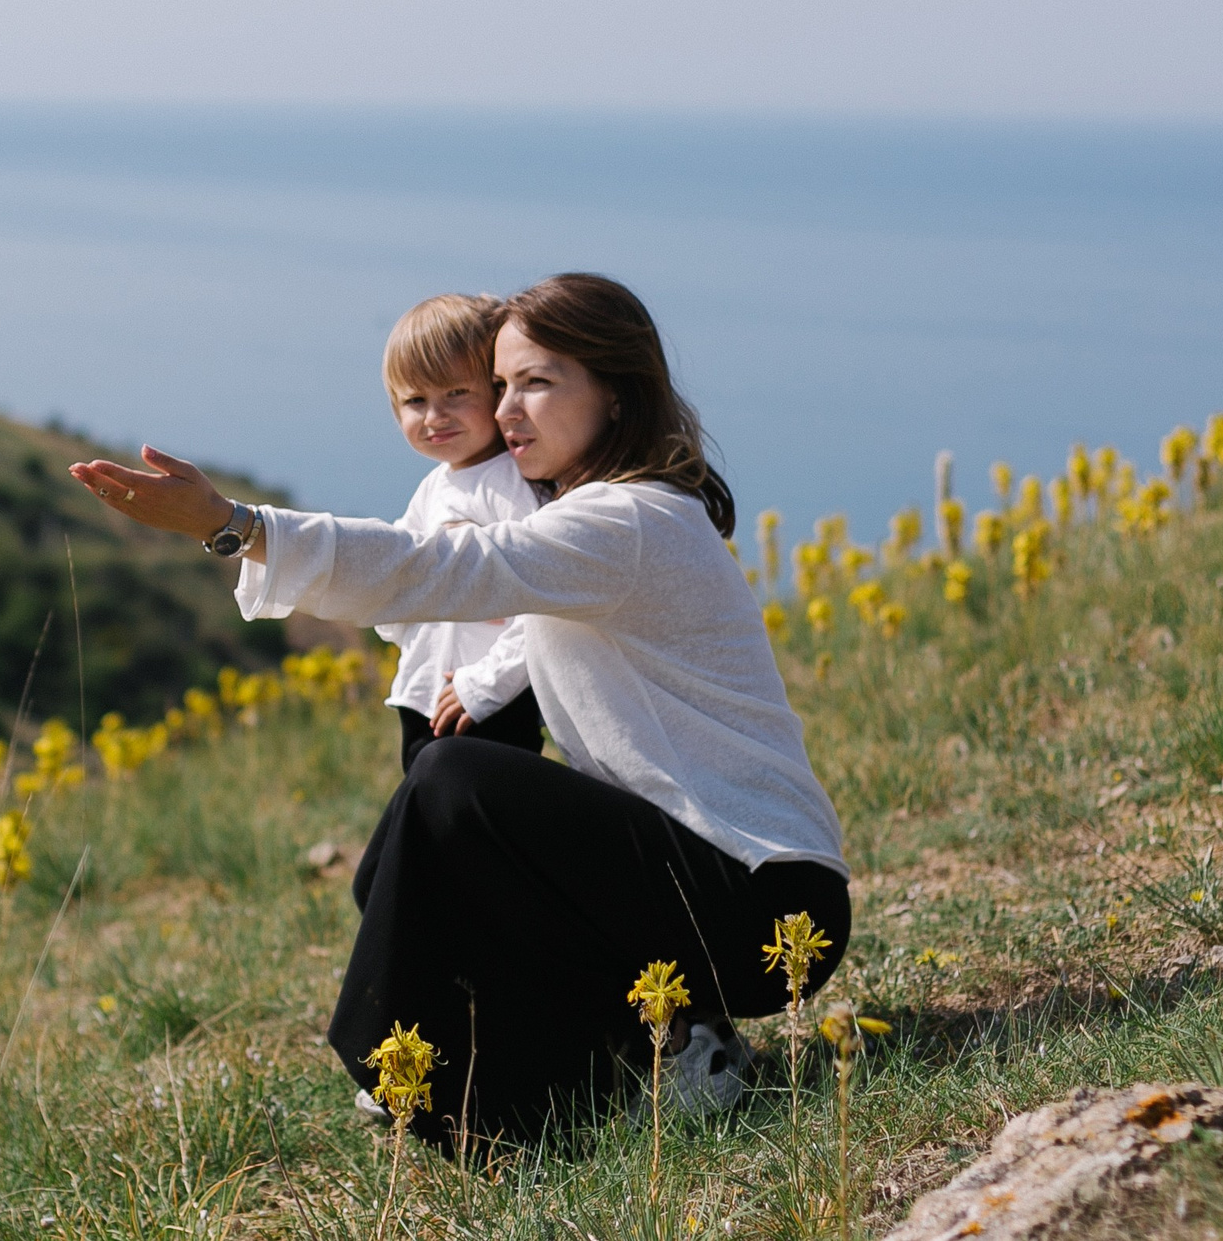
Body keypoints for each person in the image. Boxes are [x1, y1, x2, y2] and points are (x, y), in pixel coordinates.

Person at [70, 272, 850, 1147]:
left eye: (539, 382)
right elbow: (425, 583)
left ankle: (449, 1065)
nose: (508, 409)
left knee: (454, 783)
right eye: (504, 384)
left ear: (618, 393)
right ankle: (616, 1066)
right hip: (698, 878)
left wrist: (235, 525)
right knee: (399, 872)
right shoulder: (601, 512)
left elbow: (433, 568)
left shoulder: (624, 521)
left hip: (766, 900)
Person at [373, 293, 544, 772]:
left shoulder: (511, 483)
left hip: (487, 701)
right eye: (415, 401)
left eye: (455, 394)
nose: (434, 417)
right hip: (424, 692)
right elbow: (399, 570)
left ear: (496, 391)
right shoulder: (434, 486)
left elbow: (545, 609)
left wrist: (484, 686)